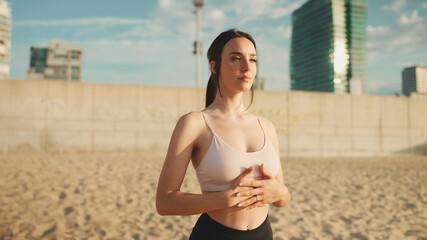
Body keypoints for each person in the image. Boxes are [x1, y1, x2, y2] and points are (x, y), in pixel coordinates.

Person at [156, 29, 290, 240]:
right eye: (236, 58)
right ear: (214, 66)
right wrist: (225, 199)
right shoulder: (195, 123)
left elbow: (282, 197)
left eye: (253, 60)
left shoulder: (266, 126)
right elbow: (164, 202)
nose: (247, 67)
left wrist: (281, 193)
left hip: (264, 234)